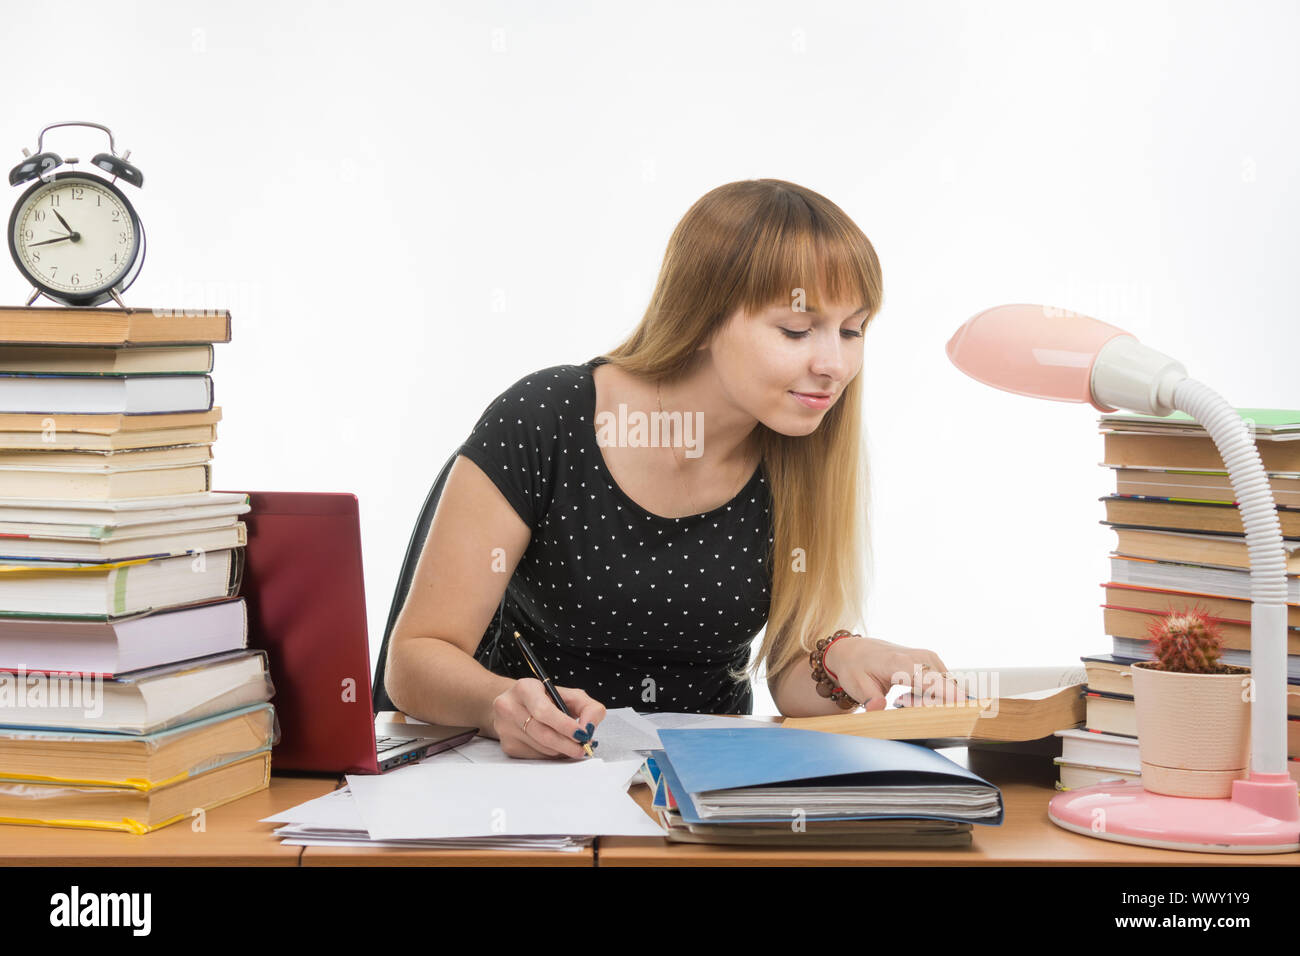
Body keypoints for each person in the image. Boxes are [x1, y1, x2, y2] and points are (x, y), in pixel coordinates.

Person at [384, 178, 964, 759]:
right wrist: (498, 703)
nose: (835, 365)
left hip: (705, 793)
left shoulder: (802, 446)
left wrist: (840, 660)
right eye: (795, 329)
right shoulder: (547, 418)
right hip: (531, 781)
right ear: (704, 316)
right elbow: (413, 659)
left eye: (852, 330)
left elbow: (788, 679)